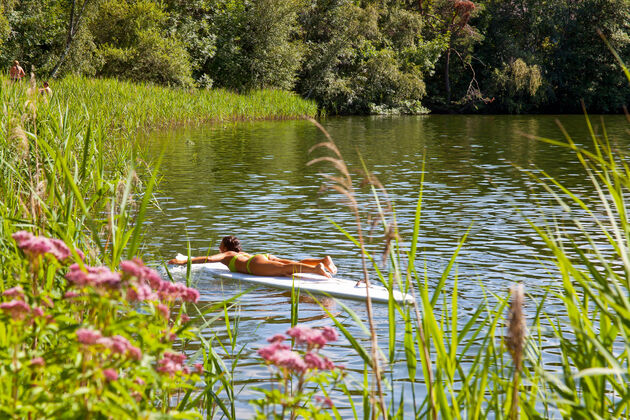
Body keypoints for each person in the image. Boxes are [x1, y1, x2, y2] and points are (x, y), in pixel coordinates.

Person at [167, 235, 337, 279]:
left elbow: (209, 259)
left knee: (286, 269)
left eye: (220, 245)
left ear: (225, 247)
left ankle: (316, 269)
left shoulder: (228, 254)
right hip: (262, 256)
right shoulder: (241, 253)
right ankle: (322, 261)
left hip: (254, 265)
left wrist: (184, 261)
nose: (219, 247)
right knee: (292, 264)